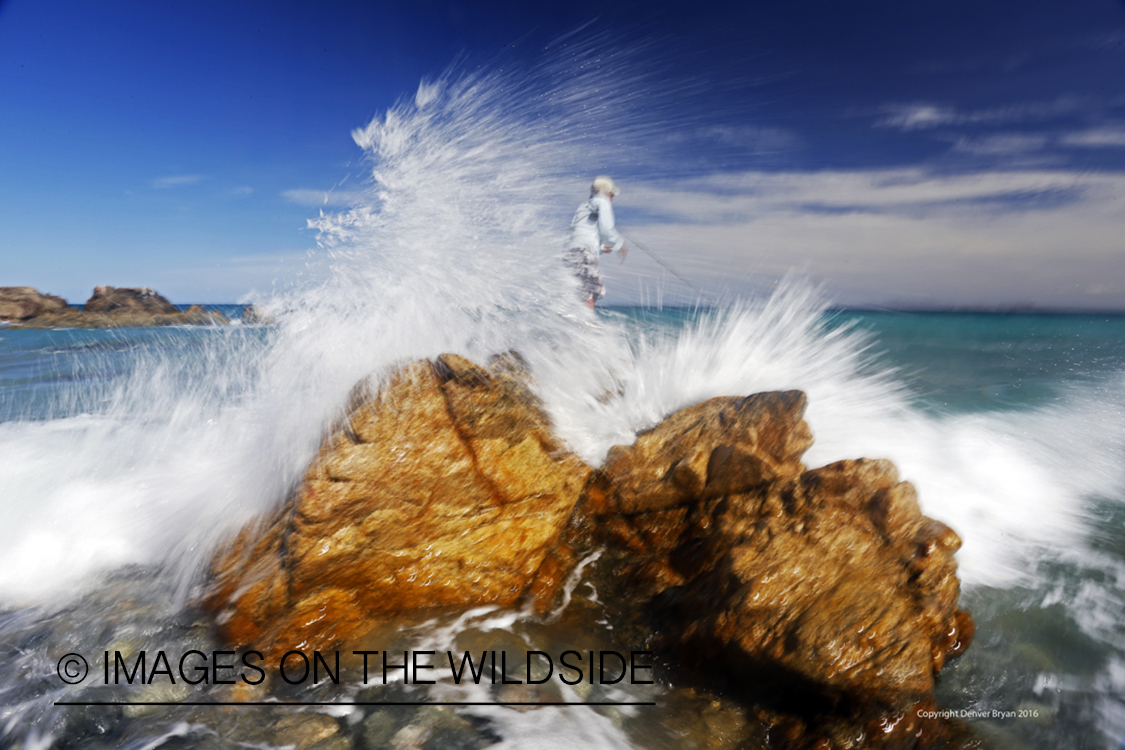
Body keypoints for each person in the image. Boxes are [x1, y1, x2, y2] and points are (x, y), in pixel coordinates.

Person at [566, 175, 628, 310]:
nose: (612, 199)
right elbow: (606, 228)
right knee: (590, 294)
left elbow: (576, 233)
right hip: (584, 254)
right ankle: (586, 328)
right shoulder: (602, 201)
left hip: (572, 254)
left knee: (585, 293)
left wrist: (600, 248)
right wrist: (619, 245)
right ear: (607, 192)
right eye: (612, 195)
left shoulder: (583, 207)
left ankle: (577, 326)